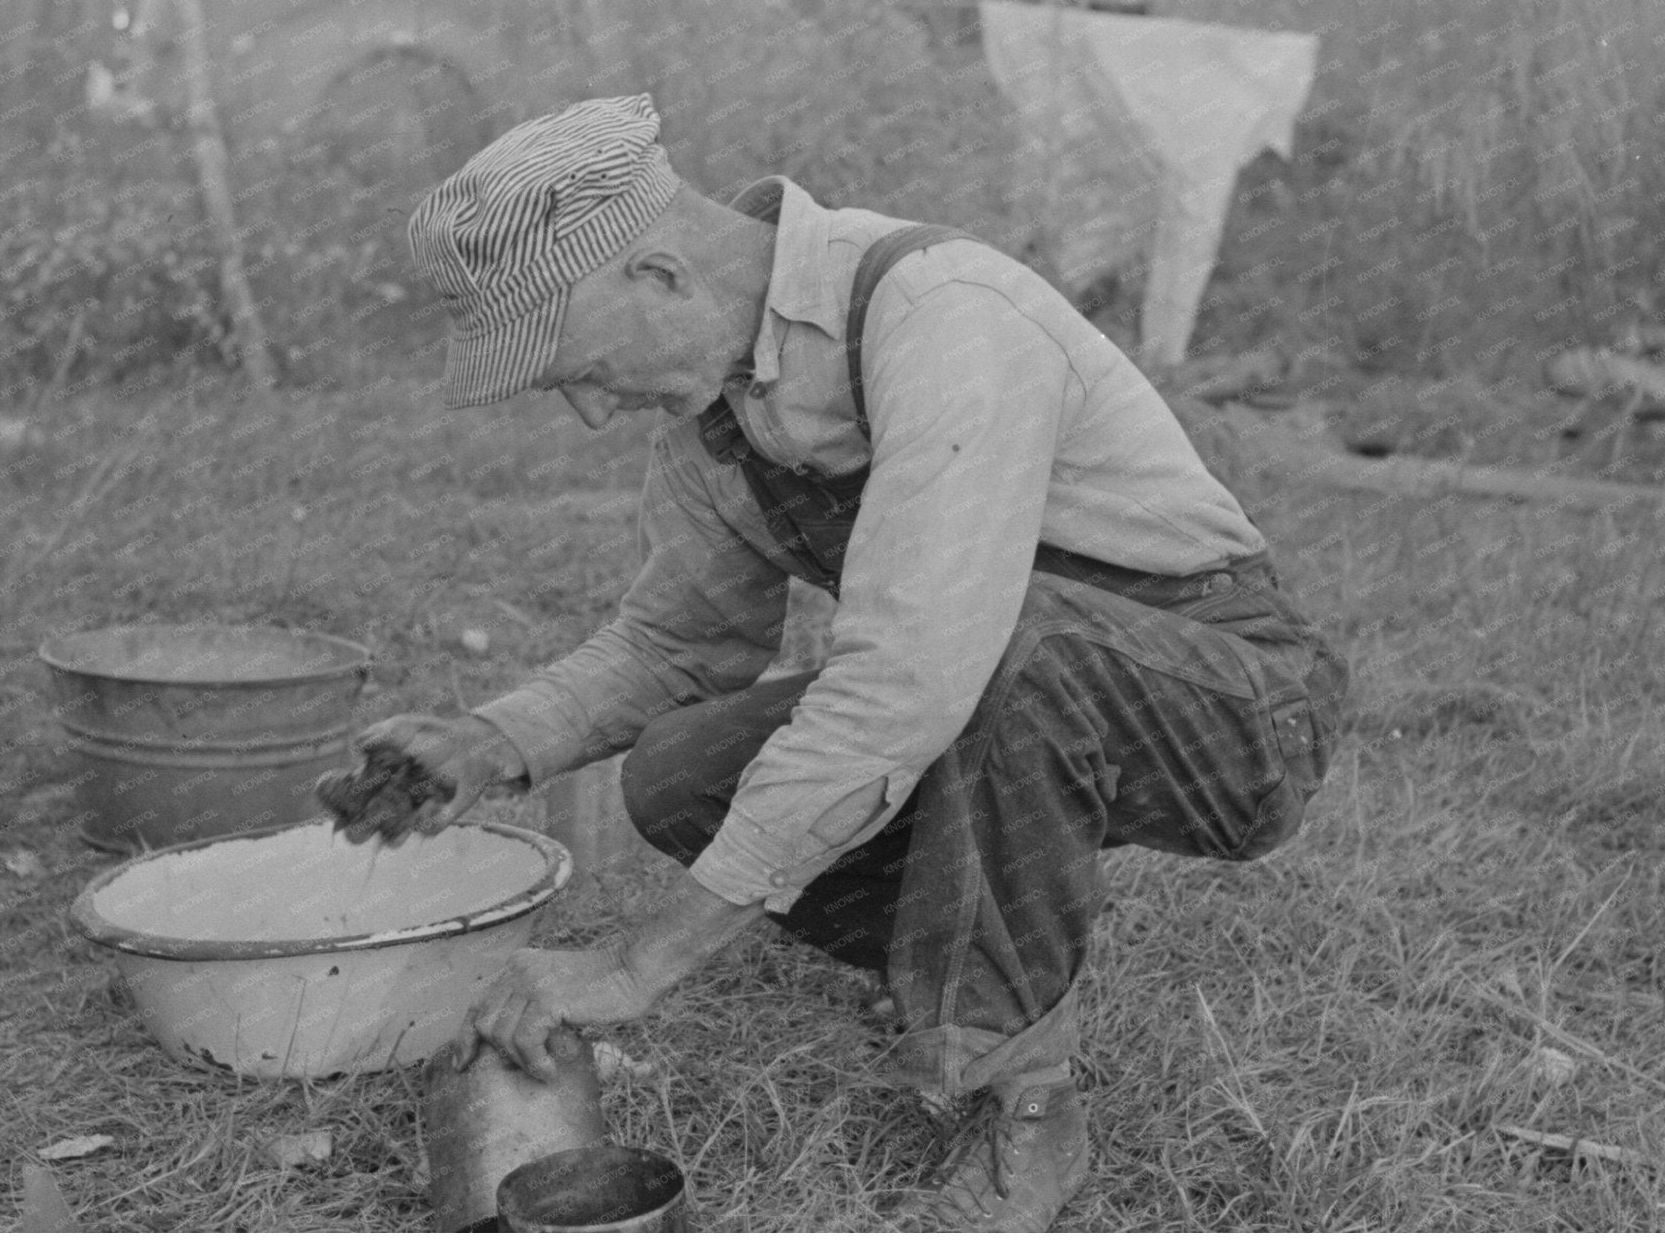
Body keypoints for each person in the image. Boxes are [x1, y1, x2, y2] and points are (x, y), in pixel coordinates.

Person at [365, 94, 1348, 1231]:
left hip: (1234, 706)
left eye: (579, 369)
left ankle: (1026, 1105)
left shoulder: (945, 316)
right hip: (1007, 693)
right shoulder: (716, 415)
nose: (591, 413)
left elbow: (908, 679)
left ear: (659, 275)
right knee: (680, 772)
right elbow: (677, 642)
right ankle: (967, 971)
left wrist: (638, 963)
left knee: (1003, 652)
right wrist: (492, 741)